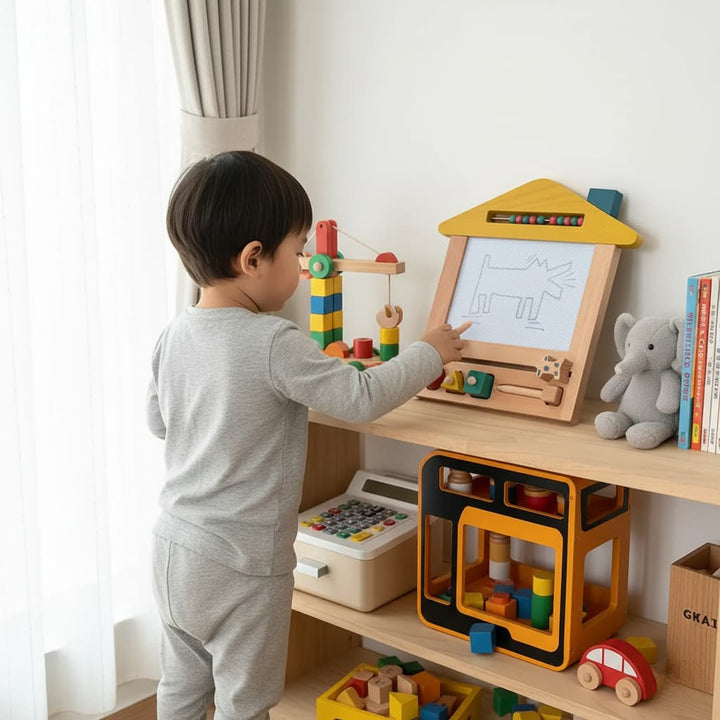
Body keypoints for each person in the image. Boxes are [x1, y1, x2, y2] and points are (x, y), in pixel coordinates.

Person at [146, 150, 471, 720]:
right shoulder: (273, 341)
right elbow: (360, 398)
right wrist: (428, 352)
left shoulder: (174, 334)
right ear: (253, 259)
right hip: (242, 566)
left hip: (174, 548)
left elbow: (158, 422)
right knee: (245, 704)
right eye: (298, 253)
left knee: (182, 691)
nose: (303, 268)